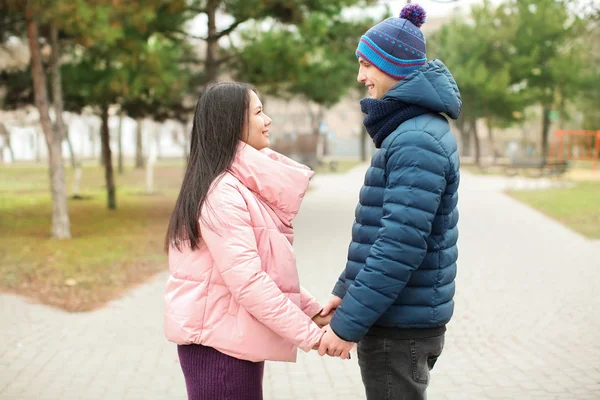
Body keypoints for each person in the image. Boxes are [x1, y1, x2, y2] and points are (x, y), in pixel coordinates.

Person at [317, 4, 462, 399]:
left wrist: (347, 326)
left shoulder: (415, 138)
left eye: (366, 64)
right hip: (400, 317)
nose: (360, 76)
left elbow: (398, 247)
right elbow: (382, 231)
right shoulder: (411, 130)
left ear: (394, 65)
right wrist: (345, 291)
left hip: (399, 327)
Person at [163, 82, 331, 400]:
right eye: (258, 112)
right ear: (232, 123)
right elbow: (250, 283)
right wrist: (312, 335)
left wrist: (313, 311)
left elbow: (262, 269)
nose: (267, 120)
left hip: (228, 343)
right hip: (220, 352)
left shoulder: (231, 184)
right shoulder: (223, 192)